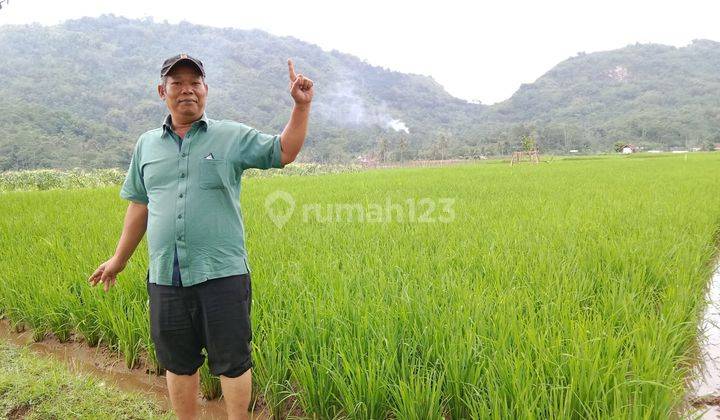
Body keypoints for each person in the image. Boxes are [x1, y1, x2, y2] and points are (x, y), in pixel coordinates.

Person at [88, 53, 313, 420]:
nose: (187, 90)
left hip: (222, 274)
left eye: (195, 83)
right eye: (177, 83)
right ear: (163, 91)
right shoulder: (146, 145)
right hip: (165, 277)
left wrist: (300, 108)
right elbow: (139, 206)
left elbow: (283, 151)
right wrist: (119, 259)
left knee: (233, 362)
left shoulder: (230, 136)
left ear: (206, 90)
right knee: (177, 362)